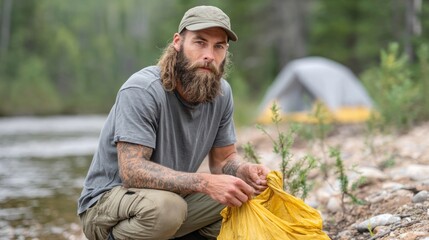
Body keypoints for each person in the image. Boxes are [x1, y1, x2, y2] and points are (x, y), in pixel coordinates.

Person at [77, 5, 270, 240]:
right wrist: (204, 182)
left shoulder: (222, 93)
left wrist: (243, 170)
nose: (209, 55)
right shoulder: (143, 89)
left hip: (173, 197)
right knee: (168, 209)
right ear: (178, 42)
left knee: (247, 196)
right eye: (200, 42)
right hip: (108, 205)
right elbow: (132, 172)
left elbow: (224, 160)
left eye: (218, 46)